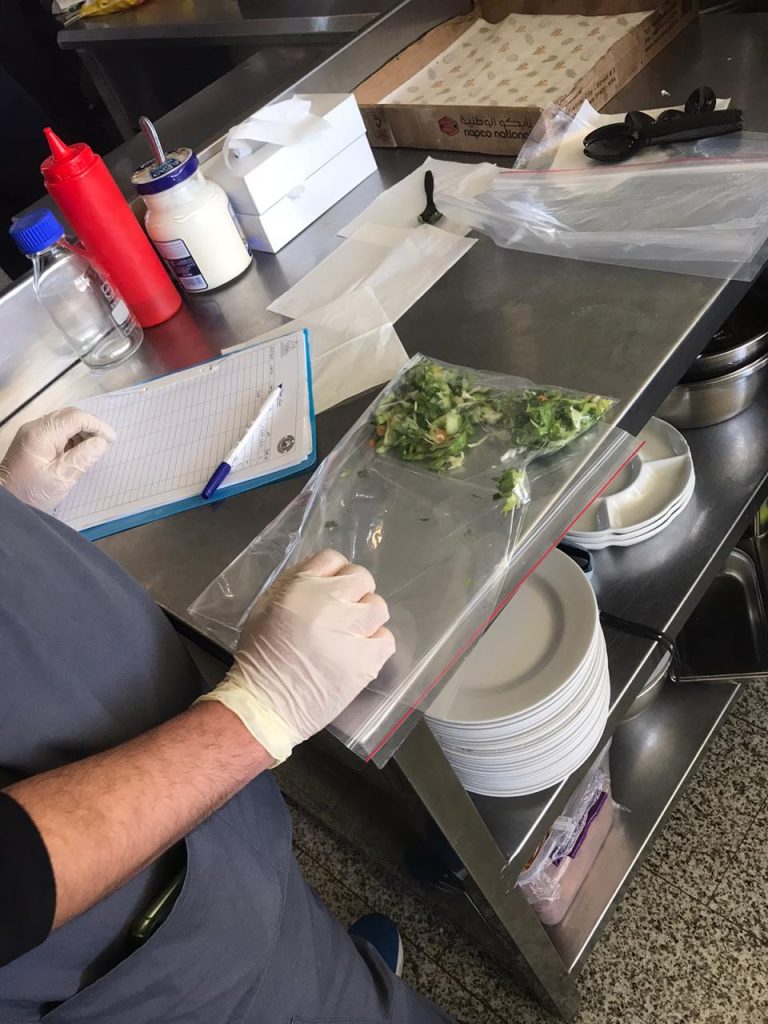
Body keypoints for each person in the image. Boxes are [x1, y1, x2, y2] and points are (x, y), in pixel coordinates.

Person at [0, 407, 456, 1023]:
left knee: (306, 947)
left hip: (201, 816)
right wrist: (259, 711)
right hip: (152, 957)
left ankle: (329, 971)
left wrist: (13, 522)